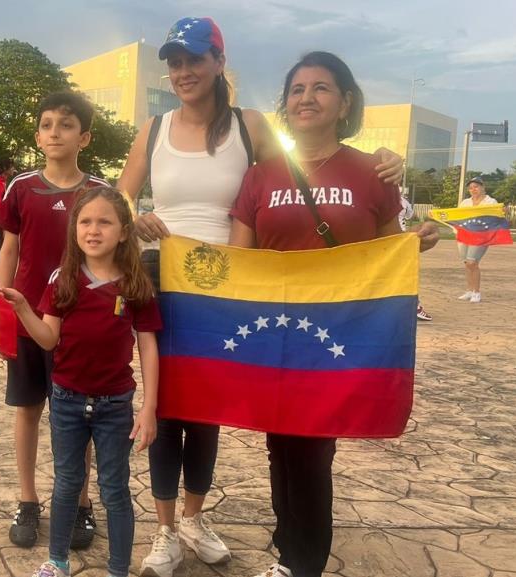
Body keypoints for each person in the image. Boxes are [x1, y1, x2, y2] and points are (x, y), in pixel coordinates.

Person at [115, 18, 404, 576]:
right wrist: (136, 216)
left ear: (219, 62)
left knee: (207, 410)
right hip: (166, 278)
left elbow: (304, 168)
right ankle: (166, 530)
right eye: (174, 62)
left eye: (194, 59)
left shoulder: (249, 126)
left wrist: (381, 160)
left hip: (234, 289)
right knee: (167, 406)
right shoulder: (152, 130)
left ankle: (199, 521)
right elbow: (122, 195)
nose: (182, 71)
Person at [228, 51, 438, 577]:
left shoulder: (372, 171)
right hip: (275, 335)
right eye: (297, 89)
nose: (307, 98)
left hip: (337, 338)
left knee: (313, 450)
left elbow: (391, 251)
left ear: (345, 102)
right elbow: (239, 261)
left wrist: (418, 243)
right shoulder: (259, 176)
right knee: (281, 446)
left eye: (321, 88)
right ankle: (288, 550)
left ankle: (303, 563)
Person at [2, 186, 161, 577]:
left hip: (115, 406)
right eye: (85, 222)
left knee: (114, 490)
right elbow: (48, 338)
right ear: (75, 230)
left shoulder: (136, 284)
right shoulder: (63, 280)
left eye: (105, 221)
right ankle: (57, 561)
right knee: (67, 484)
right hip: (67, 401)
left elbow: (148, 347)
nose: (94, 230)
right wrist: (23, 308)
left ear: (124, 231)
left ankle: (118, 569)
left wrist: (150, 407)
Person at [0, 91, 109, 549]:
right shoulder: (20, 187)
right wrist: (5, 303)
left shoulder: (100, 192)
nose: (54, 132)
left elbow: (109, 256)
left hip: (76, 326)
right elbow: (9, 248)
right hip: (26, 320)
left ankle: (81, 503)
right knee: (28, 410)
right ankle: (27, 499)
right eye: (46, 124)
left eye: (65, 125)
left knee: (77, 419)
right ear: (38, 135)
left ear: (84, 136)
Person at [457, 176, 498, 303]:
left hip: (481, 236)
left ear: (482, 187)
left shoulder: (491, 202)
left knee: (472, 262)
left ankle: (476, 292)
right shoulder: (465, 203)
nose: (473, 190)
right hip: (464, 235)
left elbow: (497, 216)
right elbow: (457, 216)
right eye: (470, 188)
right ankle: (469, 290)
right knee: (466, 263)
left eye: (476, 187)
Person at [398, 192, 432, 320]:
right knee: (404, 274)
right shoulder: (403, 201)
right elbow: (409, 215)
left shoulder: (380, 195)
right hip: (399, 237)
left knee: (402, 273)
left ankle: (413, 306)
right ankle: (414, 307)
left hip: (397, 239)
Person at [0, 157, 16, 284]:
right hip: (0, 224)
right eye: (11, 167)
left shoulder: (1, 182)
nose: (13, 169)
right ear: (6, 169)